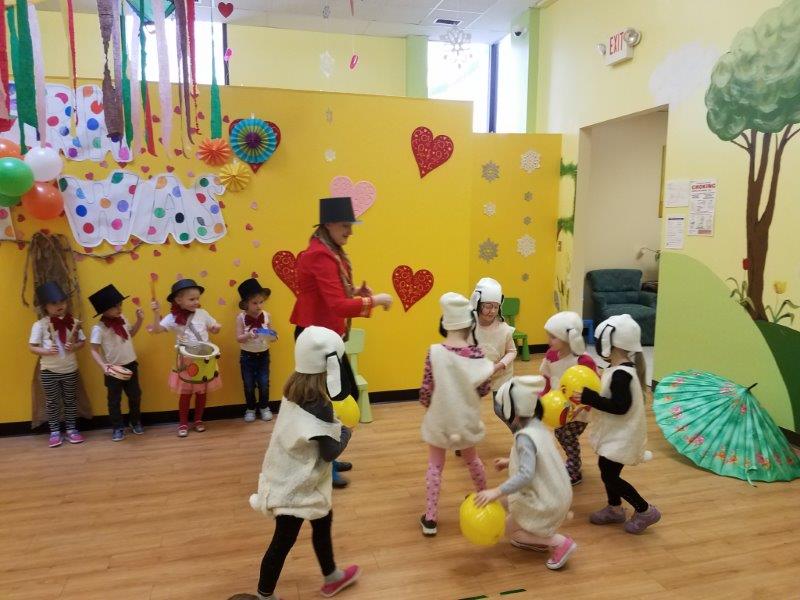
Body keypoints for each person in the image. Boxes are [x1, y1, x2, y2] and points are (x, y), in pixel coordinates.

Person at [249, 326, 360, 599]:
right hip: (296, 487)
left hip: (284, 472)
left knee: (322, 518)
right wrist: (346, 431)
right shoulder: (319, 404)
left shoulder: (294, 389)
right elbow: (330, 452)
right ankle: (264, 595)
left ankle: (331, 576)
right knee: (283, 540)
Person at [290, 196, 393, 488]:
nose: (350, 231)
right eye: (346, 225)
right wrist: (375, 300)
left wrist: (356, 292)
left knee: (341, 396)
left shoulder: (328, 250)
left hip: (325, 339)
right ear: (330, 224)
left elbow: (331, 294)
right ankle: (324, 464)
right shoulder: (320, 255)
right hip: (316, 342)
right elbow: (337, 305)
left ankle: (330, 457)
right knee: (328, 403)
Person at [476, 375, 577, 570]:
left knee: (511, 532)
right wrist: (509, 461)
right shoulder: (539, 427)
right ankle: (537, 539)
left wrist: (496, 491)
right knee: (509, 506)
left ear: (511, 410)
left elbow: (525, 475)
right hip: (558, 493)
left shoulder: (524, 437)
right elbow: (539, 458)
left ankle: (559, 542)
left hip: (546, 500)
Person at [574, 314, 661, 534]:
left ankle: (645, 510)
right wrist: (588, 403)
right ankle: (614, 508)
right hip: (616, 433)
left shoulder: (622, 374)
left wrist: (589, 397)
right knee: (606, 470)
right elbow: (608, 399)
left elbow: (619, 406)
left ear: (608, 342)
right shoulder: (616, 369)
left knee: (609, 475)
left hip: (622, 436)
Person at [419, 292, 495, 537]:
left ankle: (431, 518)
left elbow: (426, 390)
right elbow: (484, 388)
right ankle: (484, 497)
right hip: (466, 420)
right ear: (470, 324)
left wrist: (430, 407)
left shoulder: (434, 352)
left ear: (444, 323)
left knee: (435, 465)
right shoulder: (478, 354)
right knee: (472, 459)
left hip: (440, 419)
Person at [149, 279, 222, 437]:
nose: (196, 302)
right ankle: (183, 422)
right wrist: (155, 313)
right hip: (185, 361)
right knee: (186, 393)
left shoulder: (203, 313)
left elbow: (213, 328)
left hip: (204, 359)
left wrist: (216, 328)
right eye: (192, 299)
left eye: (197, 298)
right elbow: (156, 330)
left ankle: (198, 420)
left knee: (201, 392)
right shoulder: (172, 317)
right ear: (178, 300)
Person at [540, 311, 598, 484]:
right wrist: (542, 398)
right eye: (549, 336)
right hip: (558, 407)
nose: (549, 340)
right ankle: (572, 463)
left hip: (579, 411)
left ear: (568, 338)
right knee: (561, 434)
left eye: (553, 337)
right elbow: (547, 379)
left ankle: (574, 469)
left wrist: (586, 406)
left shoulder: (583, 361)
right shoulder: (550, 356)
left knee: (567, 435)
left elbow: (594, 386)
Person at [28, 282, 86, 447]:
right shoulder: (40, 325)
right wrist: (47, 351)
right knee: (52, 402)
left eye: (62, 301)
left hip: (70, 369)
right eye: (54, 303)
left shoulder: (73, 322)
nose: (60, 305)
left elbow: (82, 342)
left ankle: (71, 429)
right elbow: (31, 347)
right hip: (49, 371)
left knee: (70, 400)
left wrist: (74, 347)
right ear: (45, 306)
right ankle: (54, 431)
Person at [88, 284, 145, 441]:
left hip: (131, 364)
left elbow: (131, 334)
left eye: (120, 304)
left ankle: (135, 421)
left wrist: (139, 320)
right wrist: (103, 366)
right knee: (114, 400)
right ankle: (118, 427)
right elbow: (93, 350)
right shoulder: (99, 328)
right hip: (113, 369)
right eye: (114, 306)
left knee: (135, 395)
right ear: (103, 310)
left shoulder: (123, 319)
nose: (119, 308)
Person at [469, 277, 517, 430]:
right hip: (477, 374)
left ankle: (520, 432)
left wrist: (498, 366)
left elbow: (512, 351)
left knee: (501, 409)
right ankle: (466, 435)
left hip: (501, 375)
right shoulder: (470, 326)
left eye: (496, 307)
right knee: (468, 406)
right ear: (477, 304)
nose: (492, 311)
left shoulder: (504, 329)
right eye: (488, 306)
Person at [236, 278, 277, 422]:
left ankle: (264, 407)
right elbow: (239, 338)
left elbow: (272, 334)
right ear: (245, 304)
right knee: (248, 384)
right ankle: (250, 409)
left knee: (264, 383)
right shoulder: (241, 318)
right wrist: (248, 335)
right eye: (255, 303)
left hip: (264, 355)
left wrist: (273, 335)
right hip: (247, 356)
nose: (259, 306)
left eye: (261, 302)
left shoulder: (267, 315)